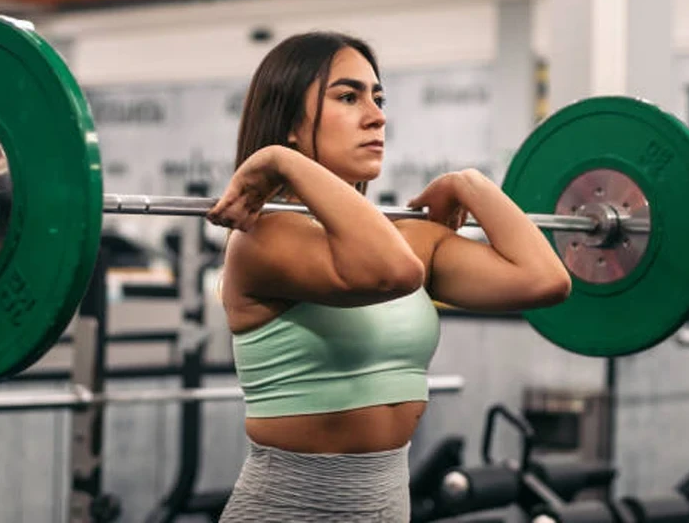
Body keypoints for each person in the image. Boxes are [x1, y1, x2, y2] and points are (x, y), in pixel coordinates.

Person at [206, 31, 572, 522]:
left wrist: (471, 184)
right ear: (292, 121)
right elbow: (393, 273)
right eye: (348, 96)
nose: (377, 115)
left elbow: (545, 280)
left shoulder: (405, 240)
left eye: (378, 98)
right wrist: (282, 162)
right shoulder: (263, 239)